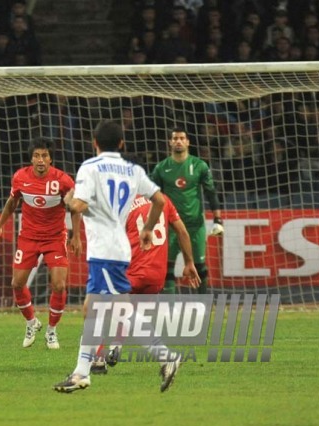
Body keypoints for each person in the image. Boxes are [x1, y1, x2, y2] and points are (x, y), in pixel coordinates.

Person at [52, 120, 190, 394]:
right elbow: (160, 201)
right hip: (118, 249)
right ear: (122, 144)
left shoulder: (90, 167)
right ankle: (81, 372)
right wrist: (148, 228)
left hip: (104, 249)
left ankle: (166, 356)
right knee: (91, 307)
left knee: (117, 310)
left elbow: (78, 205)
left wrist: (67, 199)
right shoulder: (133, 169)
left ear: (95, 143)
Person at [90, 193, 200, 375]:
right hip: (157, 274)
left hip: (134, 270)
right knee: (131, 313)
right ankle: (117, 345)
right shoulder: (164, 200)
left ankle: (99, 360)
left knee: (99, 305)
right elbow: (182, 231)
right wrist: (189, 263)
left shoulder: (121, 204)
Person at [0, 138, 82, 349]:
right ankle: (32, 323)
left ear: (51, 159)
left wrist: (76, 236)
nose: (40, 160)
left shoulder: (63, 181)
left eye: (44, 156)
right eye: (36, 156)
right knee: (17, 283)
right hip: (28, 237)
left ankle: (51, 331)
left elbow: (75, 209)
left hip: (55, 238)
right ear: (31, 158)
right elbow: (12, 203)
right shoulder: (20, 177)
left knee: (59, 285)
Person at [150, 128, 223, 295]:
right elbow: (153, 198)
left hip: (195, 225)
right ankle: (168, 309)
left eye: (182, 138)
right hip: (171, 226)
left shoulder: (199, 166)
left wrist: (218, 219)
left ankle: (203, 306)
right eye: (175, 138)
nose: (178, 141)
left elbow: (211, 192)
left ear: (188, 142)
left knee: (199, 267)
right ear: (170, 142)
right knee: (167, 267)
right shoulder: (161, 168)